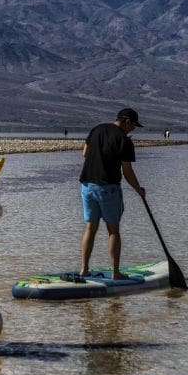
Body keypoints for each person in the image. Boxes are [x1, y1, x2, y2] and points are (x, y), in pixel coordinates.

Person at [78, 107, 147, 280]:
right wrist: (138, 189)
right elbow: (127, 171)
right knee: (113, 231)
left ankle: (84, 269)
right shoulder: (124, 140)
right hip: (108, 188)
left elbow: (85, 152)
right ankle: (116, 273)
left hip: (86, 186)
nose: (134, 129)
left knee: (90, 228)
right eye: (134, 126)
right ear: (127, 121)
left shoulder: (97, 129)